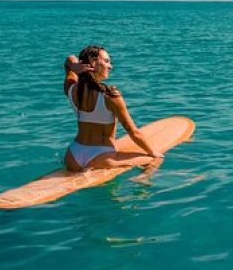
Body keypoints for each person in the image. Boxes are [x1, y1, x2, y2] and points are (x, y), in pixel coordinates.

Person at [63, 45, 163, 174]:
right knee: (154, 160)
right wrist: (153, 152)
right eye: (106, 61)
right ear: (93, 62)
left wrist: (76, 67)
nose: (110, 66)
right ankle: (142, 183)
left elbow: (69, 60)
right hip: (101, 156)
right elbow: (133, 132)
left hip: (73, 155)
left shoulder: (71, 89)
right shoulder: (110, 95)